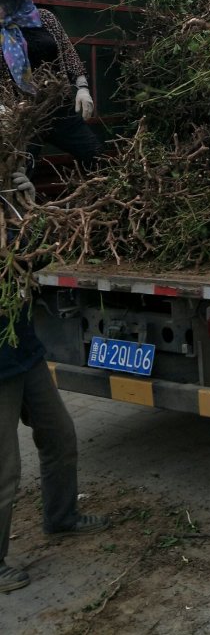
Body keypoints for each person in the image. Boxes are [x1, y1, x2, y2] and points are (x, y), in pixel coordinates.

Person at [0, 174, 108, 594]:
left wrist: (30, 208)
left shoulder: (9, 213)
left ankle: (61, 518)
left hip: (24, 352)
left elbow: (36, 259)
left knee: (59, 436)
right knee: (4, 470)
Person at [0, 0, 102, 168]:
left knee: (95, 156)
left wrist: (82, 87)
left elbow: (67, 51)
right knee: (19, 171)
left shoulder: (44, 19)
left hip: (58, 106)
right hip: (22, 113)